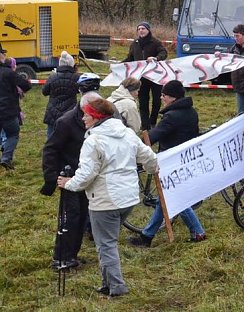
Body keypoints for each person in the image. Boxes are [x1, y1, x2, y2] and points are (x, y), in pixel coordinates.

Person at [57, 97, 158, 299]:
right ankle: (107, 283)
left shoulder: (93, 141)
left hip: (105, 201)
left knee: (106, 244)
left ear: (95, 117)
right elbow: (150, 158)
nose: (83, 117)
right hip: (128, 199)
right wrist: (151, 169)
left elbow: (86, 175)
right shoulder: (127, 133)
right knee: (107, 241)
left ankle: (117, 287)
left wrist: (68, 183)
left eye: (86, 114)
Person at [130, 79, 206, 246]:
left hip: (171, 162)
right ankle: (147, 236)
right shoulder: (191, 111)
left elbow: (154, 136)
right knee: (165, 199)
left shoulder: (172, 116)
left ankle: (199, 232)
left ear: (172, 97)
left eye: (164, 94)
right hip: (184, 160)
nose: (162, 97)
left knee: (174, 198)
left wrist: (132, 144)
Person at [40, 90, 101, 270]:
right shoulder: (65, 123)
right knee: (70, 218)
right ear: (84, 110)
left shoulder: (98, 122)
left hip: (89, 177)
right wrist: (52, 179)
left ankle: (72, 256)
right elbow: (50, 149)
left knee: (82, 217)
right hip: (70, 177)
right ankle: (60, 259)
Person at [123, 22, 167, 131]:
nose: (141, 31)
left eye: (143, 28)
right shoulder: (135, 44)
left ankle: (153, 121)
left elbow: (163, 53)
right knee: (143, 101)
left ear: (148, 30)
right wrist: (117, 66)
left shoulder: (155, 42)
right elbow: (130, 59)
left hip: (155, 76)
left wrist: (156, 58)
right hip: (141, 78)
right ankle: (146, 126)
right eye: (139, 29)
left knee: (157, 100)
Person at [0, 43, 33, 170]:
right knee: (13, 134)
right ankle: (6, 158)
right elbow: (26, 85)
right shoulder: (8, 73)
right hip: (8, 111)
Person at [42, 50, 79, 138]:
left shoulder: (52, 77)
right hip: (70, 111)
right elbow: (80, 90)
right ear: (72, 63)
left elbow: (44, 92)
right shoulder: (76, 77)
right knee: (69, 137)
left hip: (53, 111)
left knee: (51, 137)